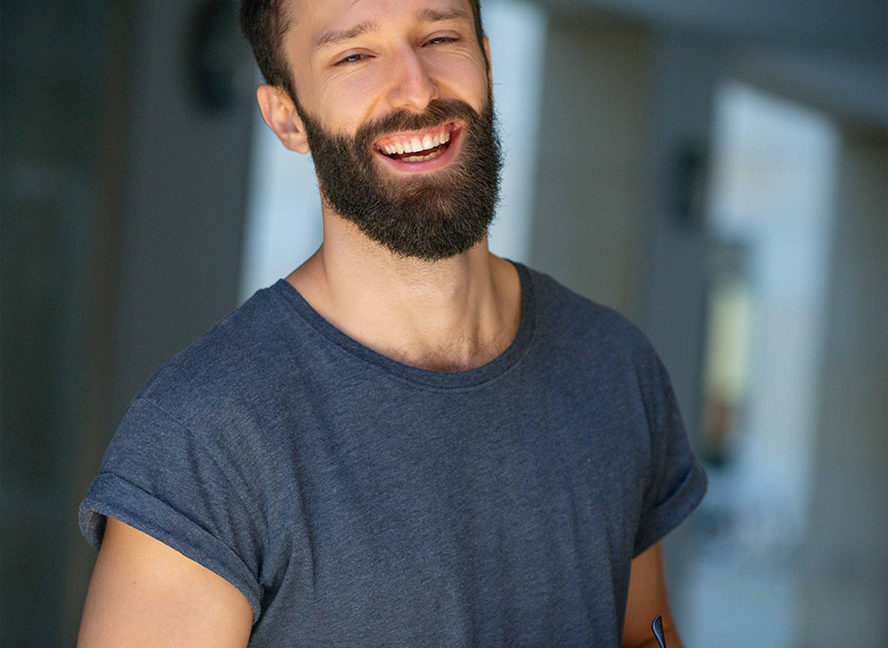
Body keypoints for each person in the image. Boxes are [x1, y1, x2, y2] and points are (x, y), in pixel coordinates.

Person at [77, 0, 707, 646]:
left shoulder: (614, 367)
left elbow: (644, 633)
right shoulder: (203, 437)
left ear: (487, 62)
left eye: (439, 37)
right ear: (287, 117)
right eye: (355, 55)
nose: (417, 88)